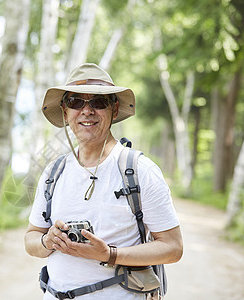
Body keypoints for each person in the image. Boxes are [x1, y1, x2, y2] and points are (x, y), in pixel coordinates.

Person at [24, 63, 183, 299]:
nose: (86, 111)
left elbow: (173, 248)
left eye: (98, 102)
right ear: (65, 112)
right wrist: (48, 241)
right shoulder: (53, 172)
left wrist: (109, 254)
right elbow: (31, 239)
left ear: (114, 110)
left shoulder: (140, 170)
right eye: (76, 102)